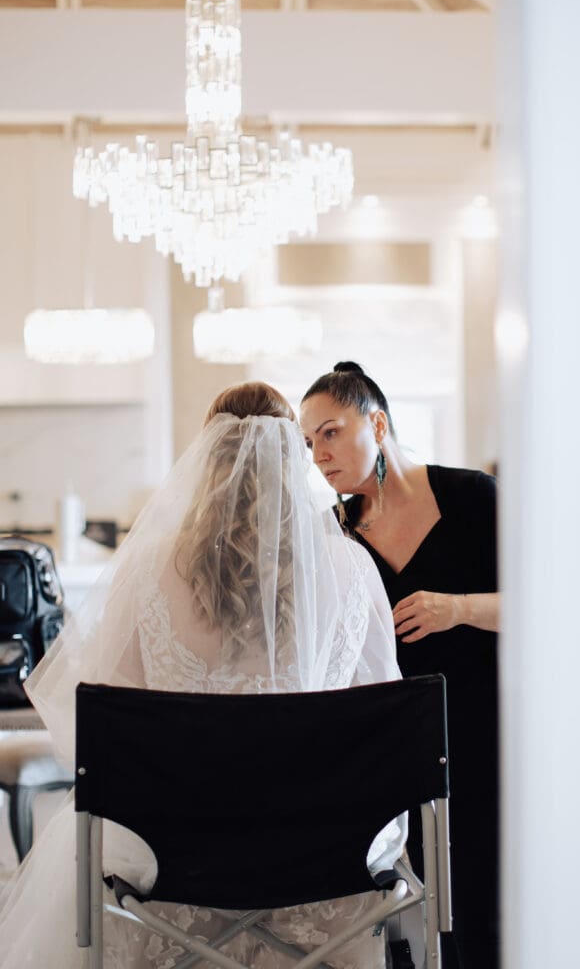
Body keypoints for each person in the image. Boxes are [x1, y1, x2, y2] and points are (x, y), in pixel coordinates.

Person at [0, 381, 405, 969]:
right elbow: (383, 712)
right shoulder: (351, 566)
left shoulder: (149, 567)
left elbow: (106, 716)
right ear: (291, 459)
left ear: (207, 460)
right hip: (321, 850)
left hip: (174, 852)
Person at [300, 362, 500, 969]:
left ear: (378, 424)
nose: (319, 455)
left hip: (488, 732)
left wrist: (457, 608)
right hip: (397, 749)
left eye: (330, 433)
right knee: (419, 915)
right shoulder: (334, 534)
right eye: (309, 443)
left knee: (487, 901)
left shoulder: (473, 497)